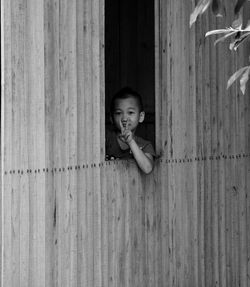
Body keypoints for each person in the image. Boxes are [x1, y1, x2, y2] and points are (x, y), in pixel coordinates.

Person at [106, 87, 155, 174]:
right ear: (111, 118)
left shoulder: (144, 145)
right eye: (118, 113)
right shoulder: (107, 138)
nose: (124, 118)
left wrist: (131, 142)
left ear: (141, 117)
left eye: (130, 112)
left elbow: (147, 168)